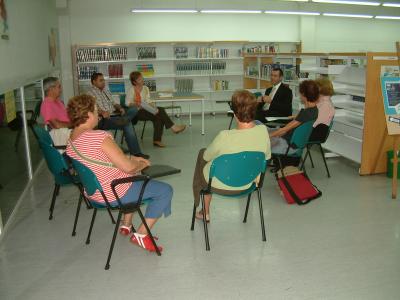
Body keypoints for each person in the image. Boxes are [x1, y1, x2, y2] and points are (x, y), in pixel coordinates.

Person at [66, 94, 173, 253]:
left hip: (94, 192)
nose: (98, 114)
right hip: (114, 192)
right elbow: (128, 168)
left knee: (134, 178)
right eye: (96, 111)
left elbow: (103, 158)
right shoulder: (99, 137)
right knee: (165, 190)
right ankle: (142, 235)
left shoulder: (72, 138)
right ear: (88, 115)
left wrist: (130, 158)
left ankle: (126, 224)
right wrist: (140, 163)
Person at [192, 90, 271, 222]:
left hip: (219, 184)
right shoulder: (263, 131)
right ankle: (203, 209)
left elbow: (207, 157)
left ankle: (204, 210)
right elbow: (266, 158)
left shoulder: (224, 136)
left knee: (202, 154)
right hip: (249, 183)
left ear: (234, 114)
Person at [87, 72, 149, 159]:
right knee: (127, 124)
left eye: (103, 80)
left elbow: (114, 103)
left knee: (130, 115)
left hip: (114, 116)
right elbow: (92, 108)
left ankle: (125, 120)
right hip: (103, 119)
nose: (103, 82)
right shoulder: (90, 93)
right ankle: (136, 153)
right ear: (94, 82)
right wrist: (102, 112)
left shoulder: (106, 91)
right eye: (101, 80)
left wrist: (120, 108)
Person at [126, 71, 186, 148]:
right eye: (140, 79)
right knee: (161, 111)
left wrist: (154, 107)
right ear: (134, 82)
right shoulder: (131, 90)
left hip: (146, 109)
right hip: (136, 112)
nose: (142, 79)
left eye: (142, 78)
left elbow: (148, 100)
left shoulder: (145, 88)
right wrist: (136, 104)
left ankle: (157, 140)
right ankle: (173, 128)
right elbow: (127, 103)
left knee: (158, 114)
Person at [269, 80, 319, 154]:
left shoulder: (305, 113)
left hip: (286, 145)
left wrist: (268, 136)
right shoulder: (315, 110)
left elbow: (284, 130)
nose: (300, 95)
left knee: (262, 136)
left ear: (304, 95)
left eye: (300, 93)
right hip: (294, 143)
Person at [40, 77, 71, 146]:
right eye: (59, 87)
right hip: (61, 135)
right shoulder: (47, 104)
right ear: (51, 89)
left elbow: (65, 116)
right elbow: (56, 125)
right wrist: (74, 124)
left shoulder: (57, 101)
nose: (61, 89)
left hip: (67, 131)